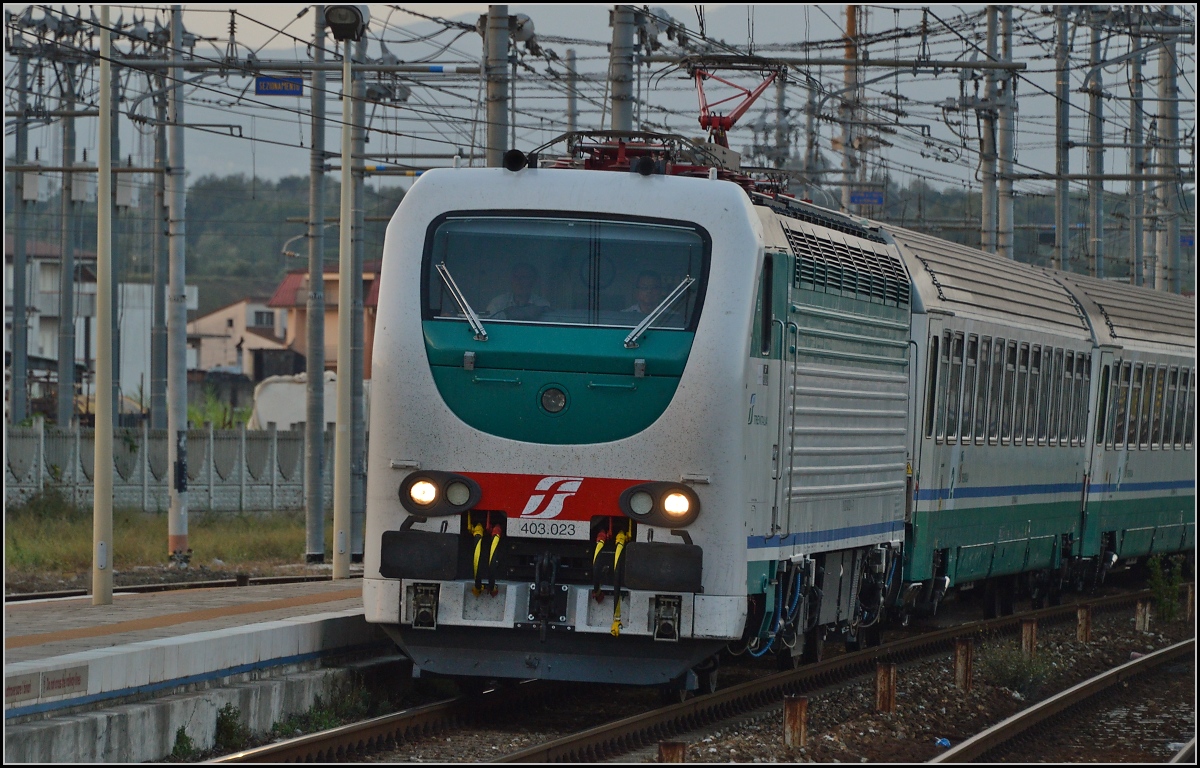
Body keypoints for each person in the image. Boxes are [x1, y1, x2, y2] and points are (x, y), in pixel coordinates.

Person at [487, 262, 551, 320]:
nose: (519, 282)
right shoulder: (497, 303)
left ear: (533, 281)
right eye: (516, 277)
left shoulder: (542, 304)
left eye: (524, 277)